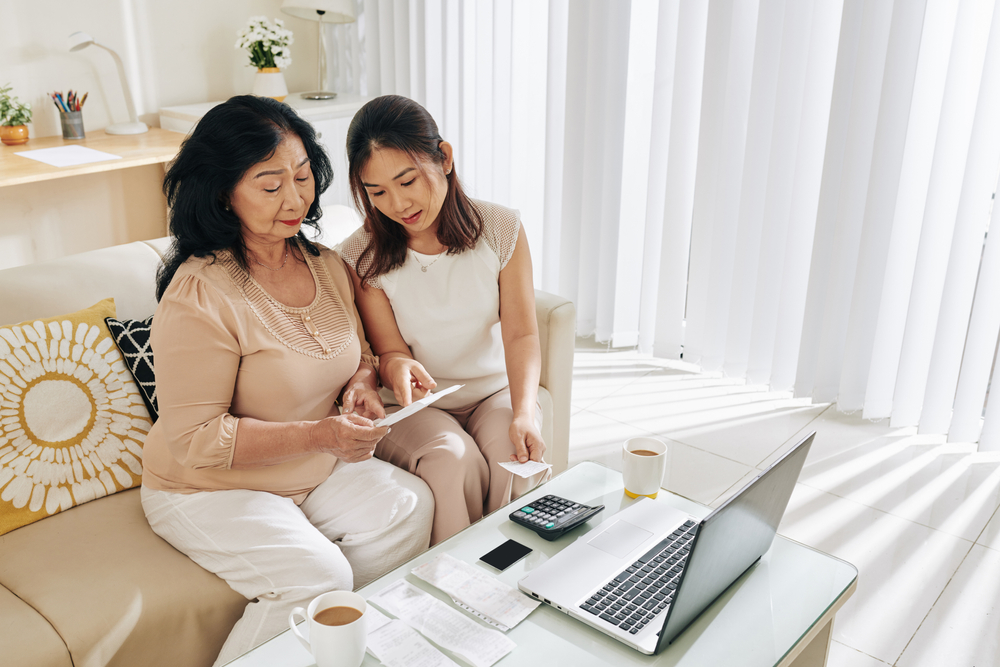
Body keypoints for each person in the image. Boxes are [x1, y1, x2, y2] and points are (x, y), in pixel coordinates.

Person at [139, 95, 433, 666]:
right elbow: (196, 439)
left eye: (302, 177)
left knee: (407, 507)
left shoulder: (326, 264)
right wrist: (322, 436)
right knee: (317, 575)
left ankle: (344, 652)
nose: (295, 198)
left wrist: (363, 383)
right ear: (224, 192)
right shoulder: (201, 294)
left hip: (306, 473)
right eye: (270, 186)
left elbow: (359, 352)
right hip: (207, 487)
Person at [338, 95, 550, 545]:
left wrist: (525, 411)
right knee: (455, 460)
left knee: (513, 456)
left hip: (490, 392)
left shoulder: (500, 229)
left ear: (445, 158)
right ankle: (452, 590)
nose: (397, 203)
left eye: (407, 180)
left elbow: (521, 332)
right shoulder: (361, 257)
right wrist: (396, 366)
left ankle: (512, 577)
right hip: (415, 407)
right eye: (376, 192)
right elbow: (389, 350)